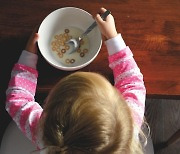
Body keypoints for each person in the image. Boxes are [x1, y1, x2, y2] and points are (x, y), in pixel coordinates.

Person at [5, 8, 147, 153]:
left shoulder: (44, 132)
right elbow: (132, 82)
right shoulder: (128, 127)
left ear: (49, 110)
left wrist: (28, 56)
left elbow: (17, 99)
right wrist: (113, 37)